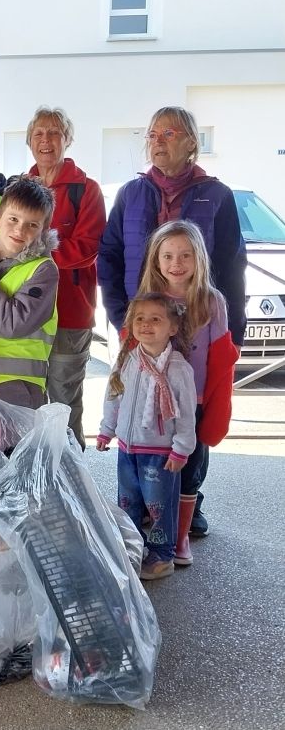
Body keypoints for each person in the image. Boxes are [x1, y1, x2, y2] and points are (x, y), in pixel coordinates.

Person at [98, 105, 247, 537]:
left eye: (168, 133)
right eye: (152, 134)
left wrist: (232, 333)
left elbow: (232, 265)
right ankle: (148, 502)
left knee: (192, 413)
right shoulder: (132, 193)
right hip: (142, 328)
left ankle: (188, 502)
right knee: (143, 410)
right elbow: (109, 256)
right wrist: (121, 316)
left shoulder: (216, 195)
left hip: (199, 328)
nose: (157, 141)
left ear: (191, 143)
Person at [135, 221, 238, 566]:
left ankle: (180, 537)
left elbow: (221, 359)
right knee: (155, 465)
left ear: (199, 258)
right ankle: (155, 527)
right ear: (156, 260)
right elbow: (132, 351)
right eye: (167, 256)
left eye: (185, 255)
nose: (176, 263)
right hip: (152, 402)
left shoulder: (212, 302)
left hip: (194, 403)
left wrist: (217, 406)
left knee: (191, 469)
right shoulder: (148, 299)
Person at [96, 292, 197, 580]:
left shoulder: (178, 368)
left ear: (173, 328)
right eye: (140, 318)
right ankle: (132, 548)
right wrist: (107, 429)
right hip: (127, 449)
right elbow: (113, 397)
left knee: (159, 506)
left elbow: (186, 414)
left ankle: (163, 556)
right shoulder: (128, 360)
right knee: (128, 502)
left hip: (160, 453)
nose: (146, 324)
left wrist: (181, 449)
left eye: (155, 319)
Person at [25, 106, 106, 450]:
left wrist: (35, 253)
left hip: (70, 316)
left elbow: (87, 248)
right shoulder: (19, 187)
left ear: (67, 140)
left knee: (64, 401)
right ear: (29, 141)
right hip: (25, 314)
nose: (46, 140)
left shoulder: (86, 190)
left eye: (54, 133)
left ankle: (71, 472)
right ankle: (35, 474)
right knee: (27, 400)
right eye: (39, 133)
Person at [0, 175, 60, 411]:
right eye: (13, 219)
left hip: (16, 389)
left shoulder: (43, 270)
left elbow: (15, 323)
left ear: (43, 231)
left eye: (32, 225)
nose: (20, 229)